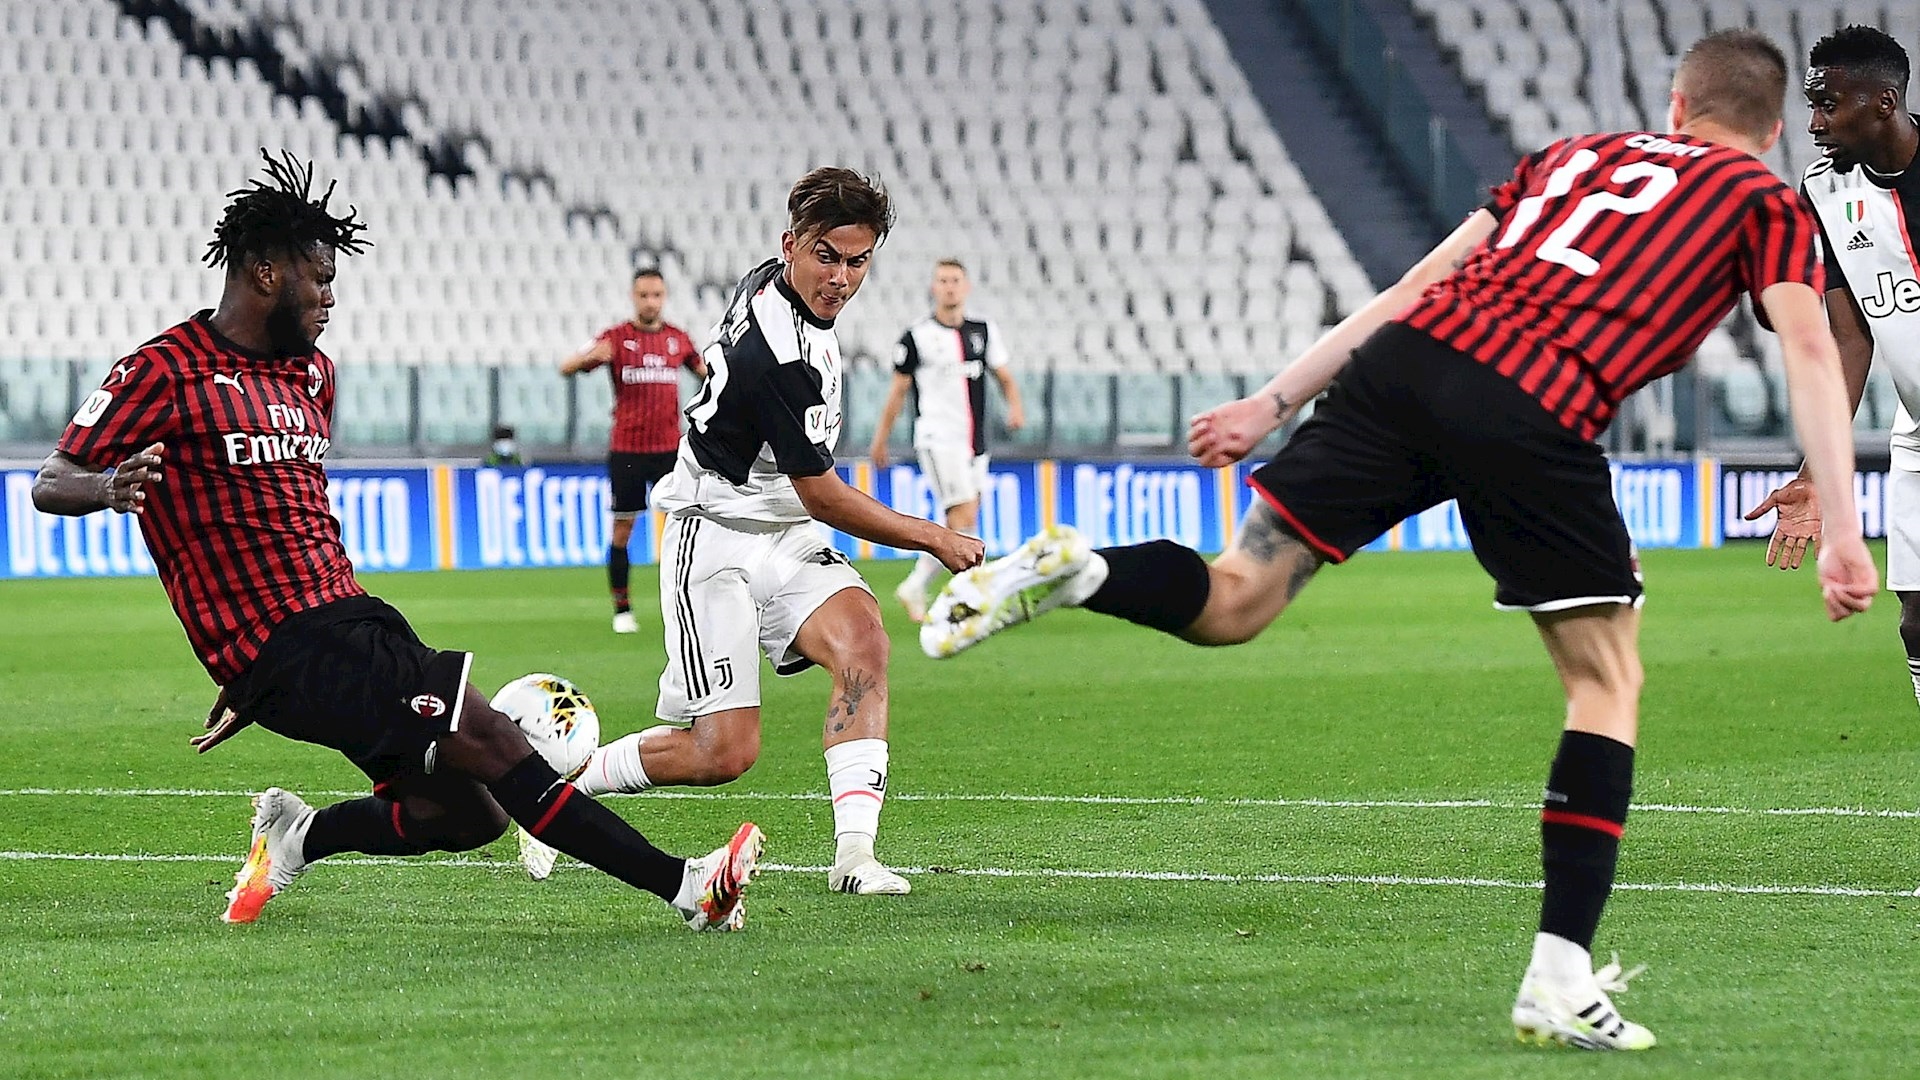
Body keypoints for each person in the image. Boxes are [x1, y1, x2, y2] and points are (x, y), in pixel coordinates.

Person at [919, 31, 1878, 1049]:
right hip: (1533, 402)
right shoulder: (1766, 202)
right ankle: (1557, 978)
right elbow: (1812, 343)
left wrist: (1273, 400)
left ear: (1676, 104)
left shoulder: (1569, 156)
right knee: (1606, 684)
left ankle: (1084, 570)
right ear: (1772, 129)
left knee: (1239, 595)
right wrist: (1841, 518)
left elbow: (1414, 285)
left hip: (1407, 365)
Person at [30, 151, 761, 931]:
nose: (331, 297)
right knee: (489, 738)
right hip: (295, 642)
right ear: (267, 273)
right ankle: (691, 889)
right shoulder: (166, 370)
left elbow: (287, 509)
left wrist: (263, 670)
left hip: (342, 620)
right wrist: (110, 490)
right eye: (320, 278)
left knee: (467, 815)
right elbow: (52, 478)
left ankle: (298, 836)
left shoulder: (313, 375)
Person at [519, 168, 984, 895]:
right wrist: (933, 536)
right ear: (790, 245)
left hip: (783, 529)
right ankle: (559, 792)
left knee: (865, 640)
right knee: (722, 753)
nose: (841, 277)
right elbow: (825, 496)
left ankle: (854, 857)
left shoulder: (775, 283)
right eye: (826, 256)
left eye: (857, 259)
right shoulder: (778, 357)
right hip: (717, 536)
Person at [1746, 26, 1920, 706]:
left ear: (1883, 102)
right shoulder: (1822, 188)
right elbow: (1850, 337)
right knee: (1916, 621)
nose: (1813, 123)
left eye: (1828, 105)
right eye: (1811, 105)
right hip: (1917, 428)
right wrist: (1814, 474)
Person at [868, 259, 1026, 622]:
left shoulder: (983, 331)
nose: (949, 286)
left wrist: (1015, 408)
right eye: (942, 280)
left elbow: (1004, 377)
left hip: (975, 442)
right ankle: (968, 598)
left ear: (966, 286)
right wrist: (881, 440)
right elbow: (898, 392)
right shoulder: (917, 336)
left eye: (955, 280)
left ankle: (916, 585)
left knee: (961, 519)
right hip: (939, 438)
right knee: (964, 512)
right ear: (933, 287)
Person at [560, 268, 707, 635]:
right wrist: (592, 357)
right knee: (623, 528)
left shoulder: (678, 339)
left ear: (664, 297)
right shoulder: (616, 337)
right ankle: (622, 609)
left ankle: (691, 602)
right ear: (633, 297)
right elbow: (567, 366)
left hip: (670, 450)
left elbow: (707, 373)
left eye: (656, 295)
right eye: (643, 295)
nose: (650, 302)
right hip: (628, 449)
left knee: (690, 527)